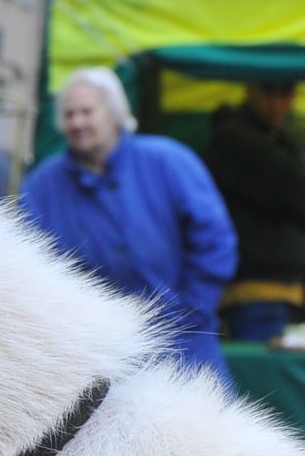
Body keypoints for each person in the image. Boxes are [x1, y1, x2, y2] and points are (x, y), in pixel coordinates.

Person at [19, 67, 239, 387]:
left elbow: (215, 239)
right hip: (100, 356)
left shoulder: (169, 161)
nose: (78, 123)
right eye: (69, 114)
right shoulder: (41, 187)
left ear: (115, 114)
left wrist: (191, 310)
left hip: (186, 343)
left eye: (87, 111)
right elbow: (32, 266)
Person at [205, 79, 305, 342]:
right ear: (249, 89)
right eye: (270, 90)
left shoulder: (274, 138)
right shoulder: (234, 139)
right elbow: (294, 190)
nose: (280, 102)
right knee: (266, 380)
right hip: (256, 292)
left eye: (288, 91)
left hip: (281, 289)